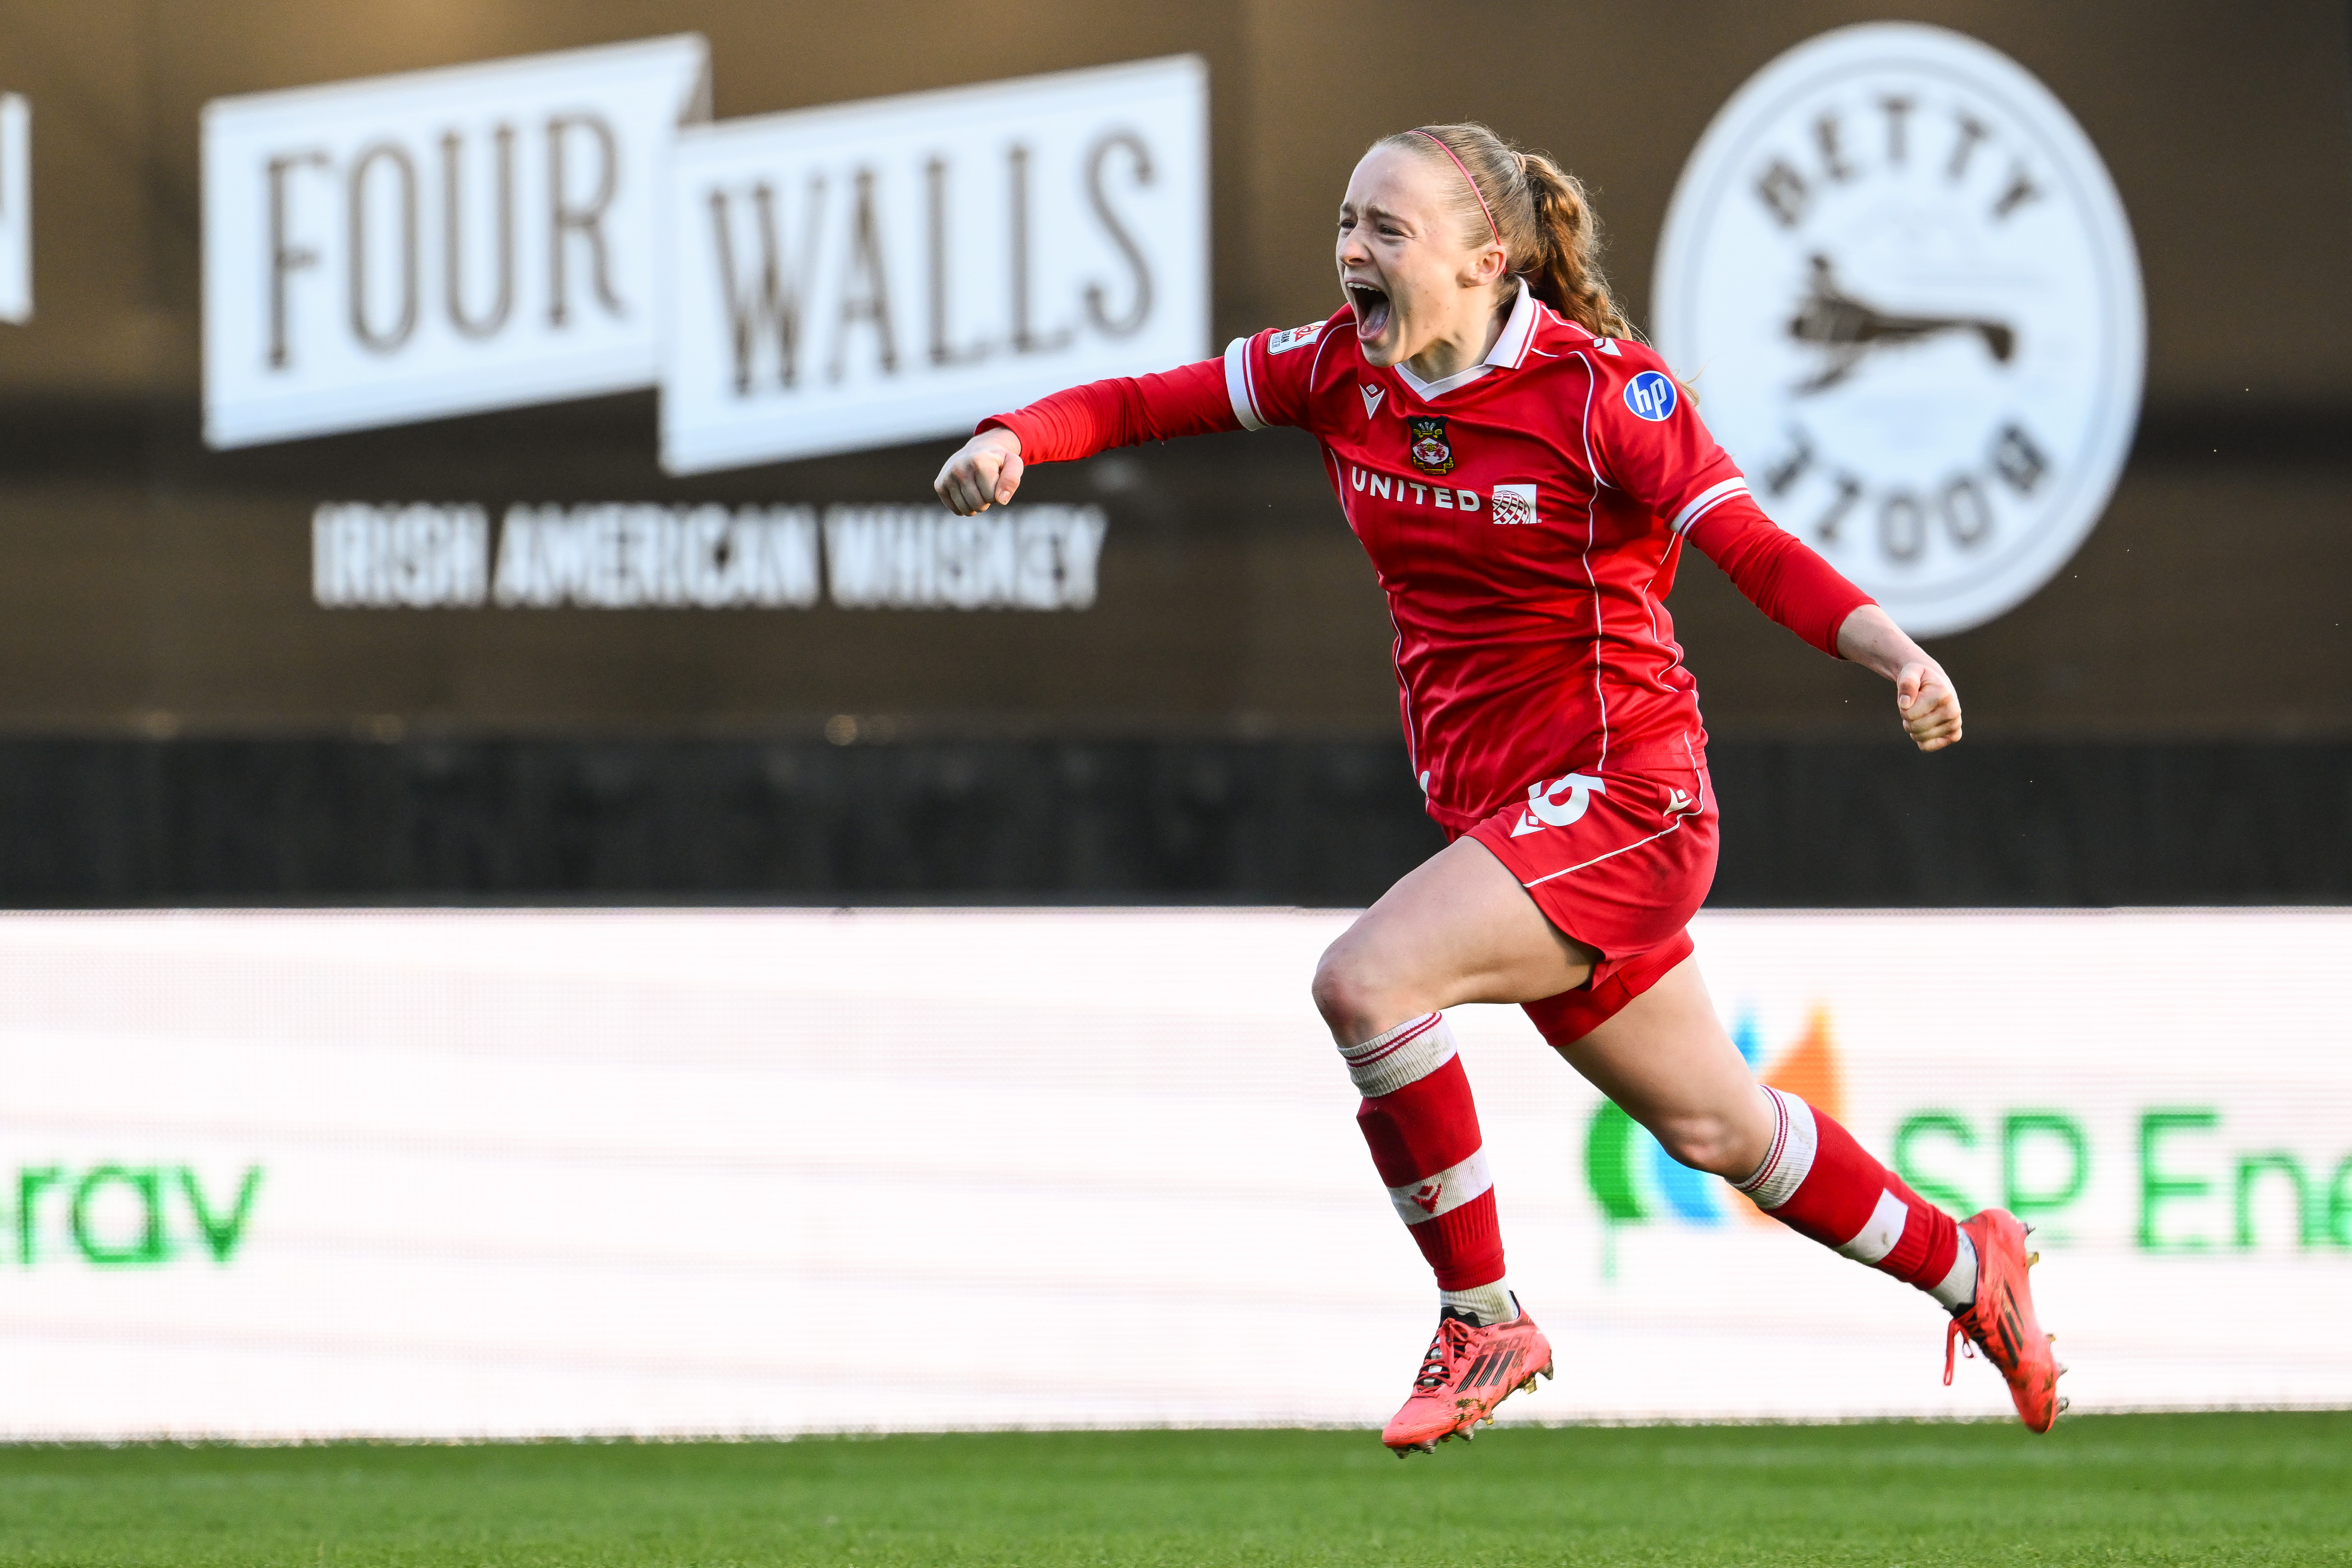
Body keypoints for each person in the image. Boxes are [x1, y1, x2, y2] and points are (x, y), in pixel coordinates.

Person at [935, 122, 2063, 1452]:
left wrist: (1889, 648)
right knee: (1720, 1128)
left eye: (1387, 232)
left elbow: (1747, 543)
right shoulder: (1334, 370)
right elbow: (1136, 404)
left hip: (1626, 799)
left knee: (1366, 980)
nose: (1353, 251)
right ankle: (1965, 1265)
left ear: (1487, 261)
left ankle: (1483, 1314)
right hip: (1509, 819)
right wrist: (1020, 437)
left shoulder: (1603, 395)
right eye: (1347, 223)